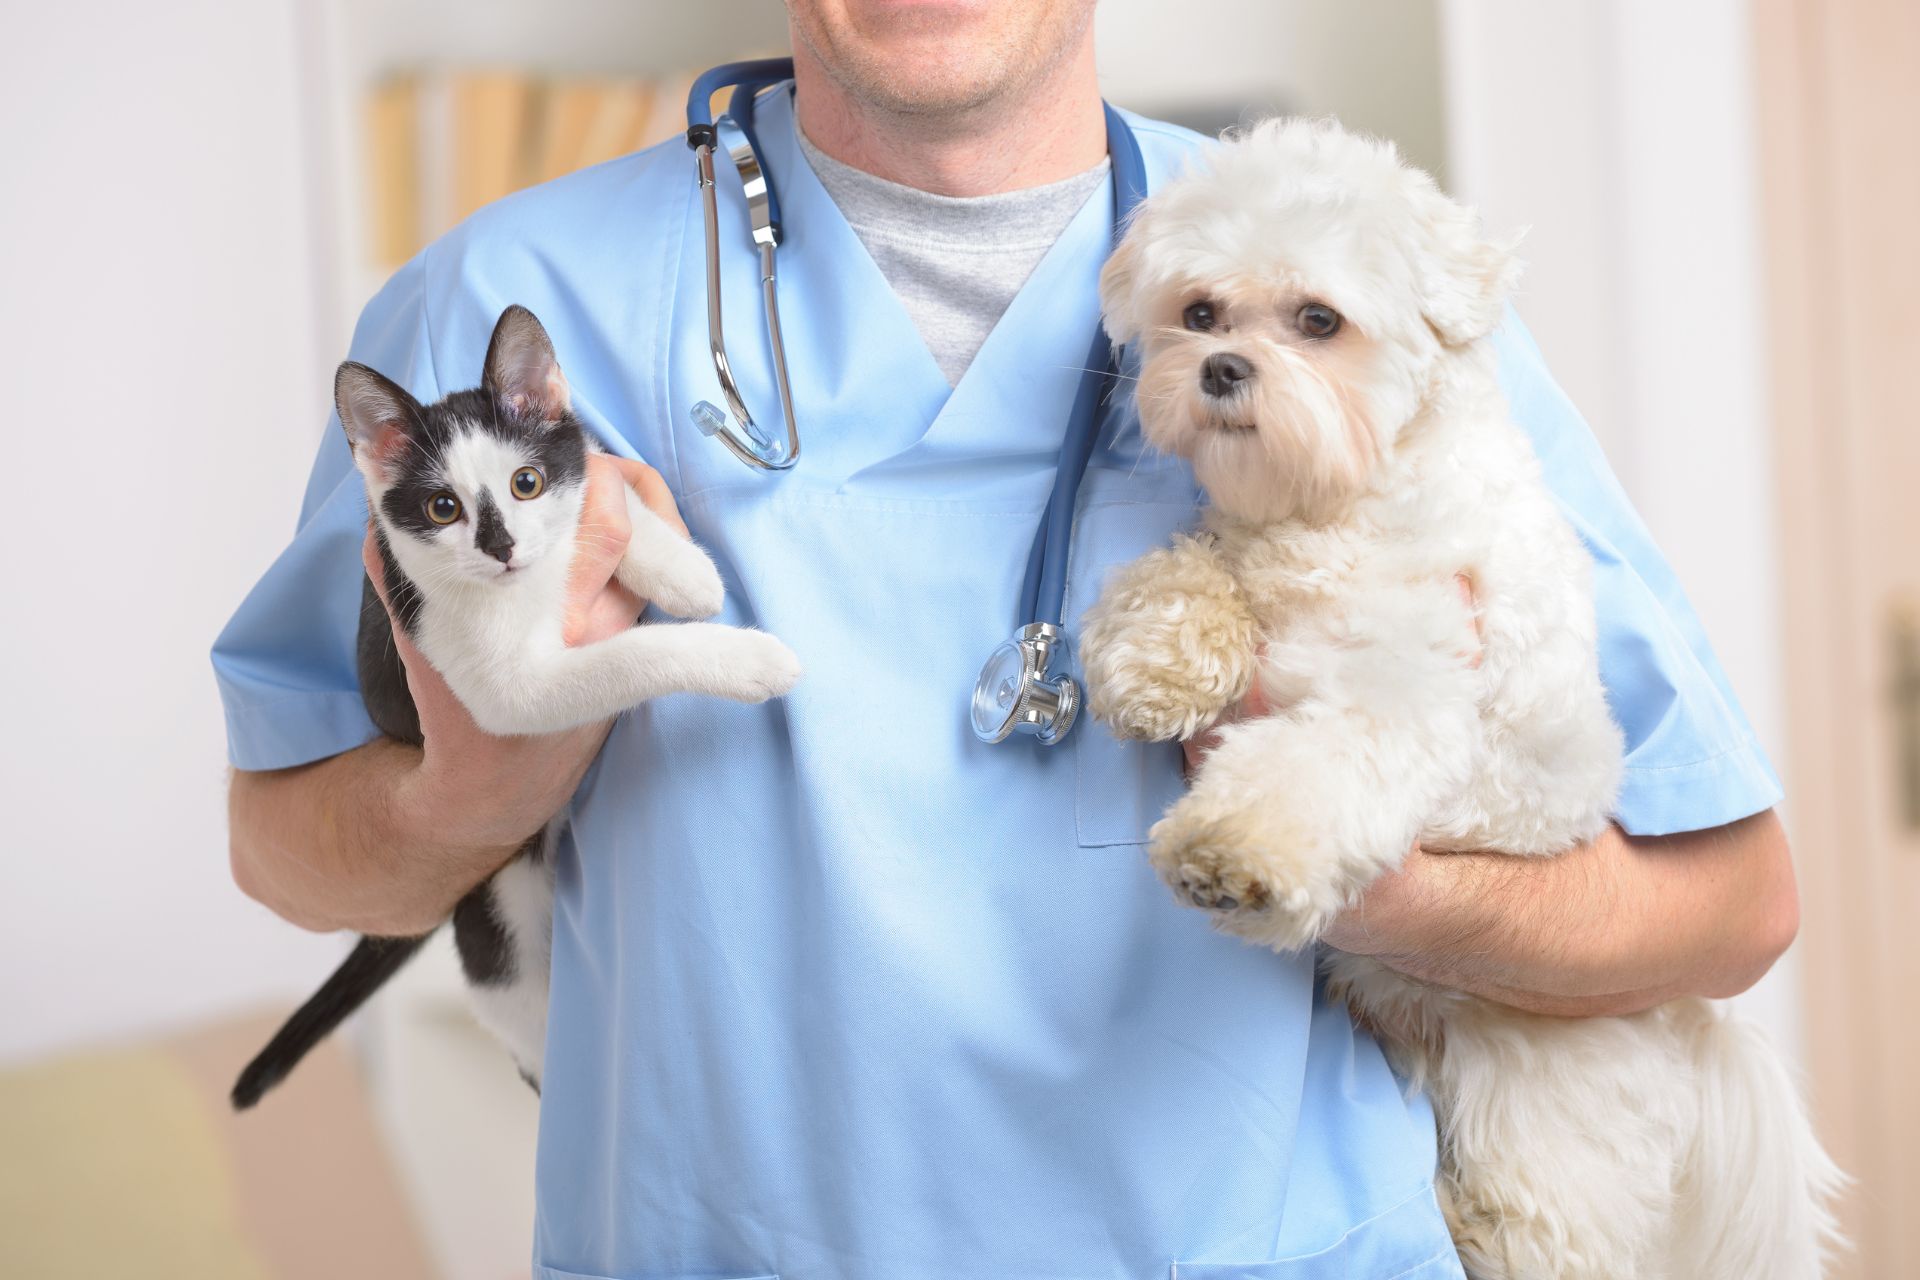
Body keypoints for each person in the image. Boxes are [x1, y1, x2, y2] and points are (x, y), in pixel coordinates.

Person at [215, 3, 1799, 1277]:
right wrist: (475, 793)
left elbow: (1732, 903)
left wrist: (1390, 885)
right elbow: (288, 845)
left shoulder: (1340, 280)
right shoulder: (514, 302)